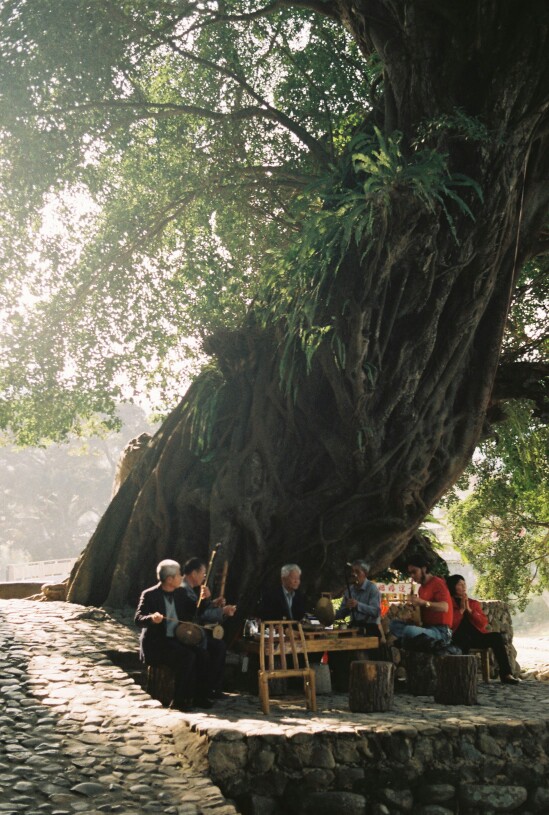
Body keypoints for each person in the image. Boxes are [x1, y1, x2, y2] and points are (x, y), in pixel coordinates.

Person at [135, 558, 235, 711]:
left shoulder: (180, 593)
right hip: (157, 644)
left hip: (176, 639)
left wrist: (205, 599)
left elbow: (196, 612)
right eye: (179, 575)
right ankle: (178, 700)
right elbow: (138, 619)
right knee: (187, 656)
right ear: (169, 579)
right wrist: (152, 618)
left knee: (202, 654)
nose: (182, 577)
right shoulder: (149, 595)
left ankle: (199, 696)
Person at [446, 574, 521, 685]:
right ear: (453, 586)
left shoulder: (472, 603)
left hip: (475, 636)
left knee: (496, 637)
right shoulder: (449, 603)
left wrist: (470, 611)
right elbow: (450, 624)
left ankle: (506, 674)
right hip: (457, 636)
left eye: (464, 584)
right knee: (463, 639)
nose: (463, 587)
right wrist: (461, 610)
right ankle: (465, 677)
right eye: (460, 584)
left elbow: (483, 623)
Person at [389, 554, 454, 653]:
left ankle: (407, 643)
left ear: (424, 569)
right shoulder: (421, 589)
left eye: (414, 572)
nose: (412, 576)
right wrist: (411, 616)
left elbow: (444, 607)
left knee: (409, 631)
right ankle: (411, 642)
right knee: (393, 625)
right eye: (410, 573)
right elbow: (420, 619)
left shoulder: (437, 583)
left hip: (441, 632)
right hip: (427, 629)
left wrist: (423, 603)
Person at [335, 560, 381, 637]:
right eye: (352, 571)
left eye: (357, 572)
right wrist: (346, 608)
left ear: (365, 574)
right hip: (354, 626)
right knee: (341, 638)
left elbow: (376, 612)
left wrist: (358, 605)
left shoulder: (372, 588)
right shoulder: (349, 590)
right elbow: (340, 614)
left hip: (369, 627)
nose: (354, 574)